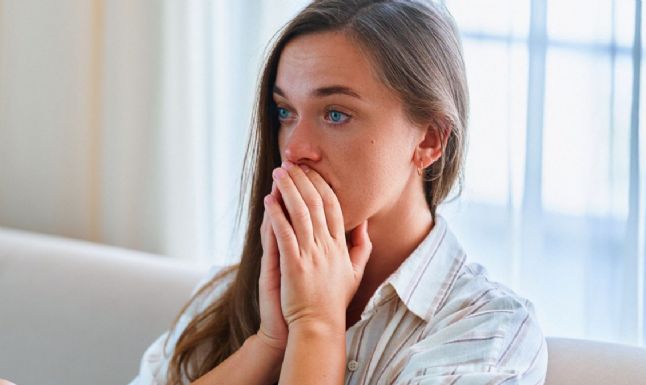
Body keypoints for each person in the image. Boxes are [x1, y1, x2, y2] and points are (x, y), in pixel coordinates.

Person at [129, 1, 547, 384]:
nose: (294, 149)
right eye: (284, 112)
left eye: (335, 114)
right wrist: (269, 343)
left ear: (430, 141)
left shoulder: (488, 332)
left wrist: (316, 327)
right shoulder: (226, 297)